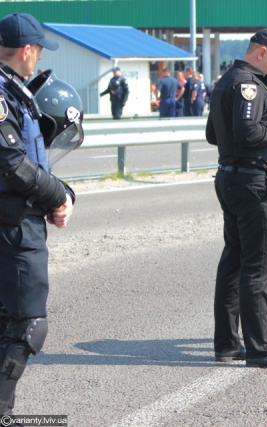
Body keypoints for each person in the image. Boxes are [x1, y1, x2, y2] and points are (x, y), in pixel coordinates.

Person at [0, 13, 82, 415]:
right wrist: (57, 197)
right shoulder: (1, 95)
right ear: (27, 50)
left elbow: (29, 161)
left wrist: (58, 194)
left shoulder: (14, 91)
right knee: (27, 327)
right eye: (38, 52)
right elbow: (11, 163)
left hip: (19, 218)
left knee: (7, 323)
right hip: (12, 226)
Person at [206, 27, 267, 369]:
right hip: (253, 182)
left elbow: (212, 134)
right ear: (261, 52)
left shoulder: (224, 81)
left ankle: (227, 343)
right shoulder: (248, 84)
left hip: (230, 177)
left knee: (233, 261)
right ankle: (260, 348)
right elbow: (248, 133)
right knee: (259, 264)